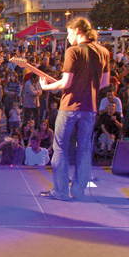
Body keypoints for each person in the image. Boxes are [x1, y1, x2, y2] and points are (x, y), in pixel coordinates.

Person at [39, 17, 110, 201]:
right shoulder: (104, 52)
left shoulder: (74, 51)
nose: (68, 37)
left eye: (69, 33)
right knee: (84, 149)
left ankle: (61, 191)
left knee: (60, 148)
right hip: (90, 108)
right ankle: (78, 191)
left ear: (78, 30)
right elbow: (105, 83)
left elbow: (66, 82)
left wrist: (45, 87)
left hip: (70, 106)